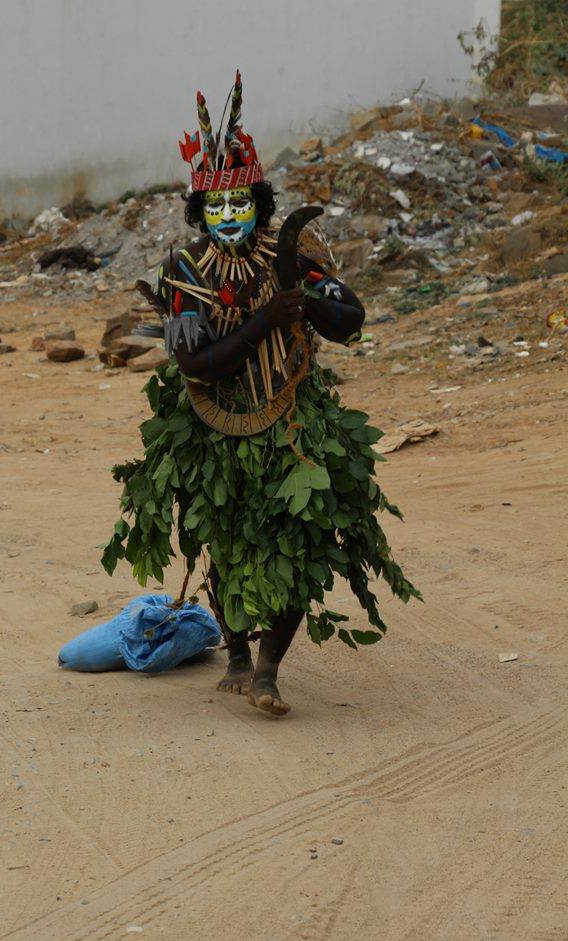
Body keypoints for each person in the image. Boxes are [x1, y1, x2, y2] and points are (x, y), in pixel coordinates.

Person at [102, 72, 420, 716]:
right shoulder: (183, 273)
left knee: (301, 540)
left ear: (259, 203)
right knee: (224, 540)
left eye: (239, 204)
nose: (228, 217)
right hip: (213, 423)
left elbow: (352, 320)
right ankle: (238, 656)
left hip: (292, 417)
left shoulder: (293, 255)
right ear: (200, 211)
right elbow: (194, 363)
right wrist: (265, 320)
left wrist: (309, 303)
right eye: (215, 207)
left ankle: (269, 670)